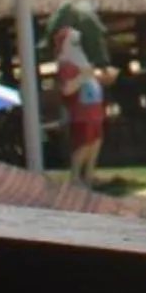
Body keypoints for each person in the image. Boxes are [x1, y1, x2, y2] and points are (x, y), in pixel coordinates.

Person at [53, 25, 107, 184]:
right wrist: (83, 76)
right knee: (83, 144)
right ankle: (76, 177)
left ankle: (89, 174)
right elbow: (67, 89)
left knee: (95, 142)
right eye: (73, 42)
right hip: (80, 112)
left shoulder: (81, 63)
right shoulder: (66, 65)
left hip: (93, 109)